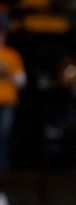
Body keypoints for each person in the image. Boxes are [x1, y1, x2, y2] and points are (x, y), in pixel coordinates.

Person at [0, 28, 25, 171]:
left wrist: (7, 72)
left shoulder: (12, 55)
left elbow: (21, 82)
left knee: (4, 135)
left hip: (8, 102)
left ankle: (4, 169)